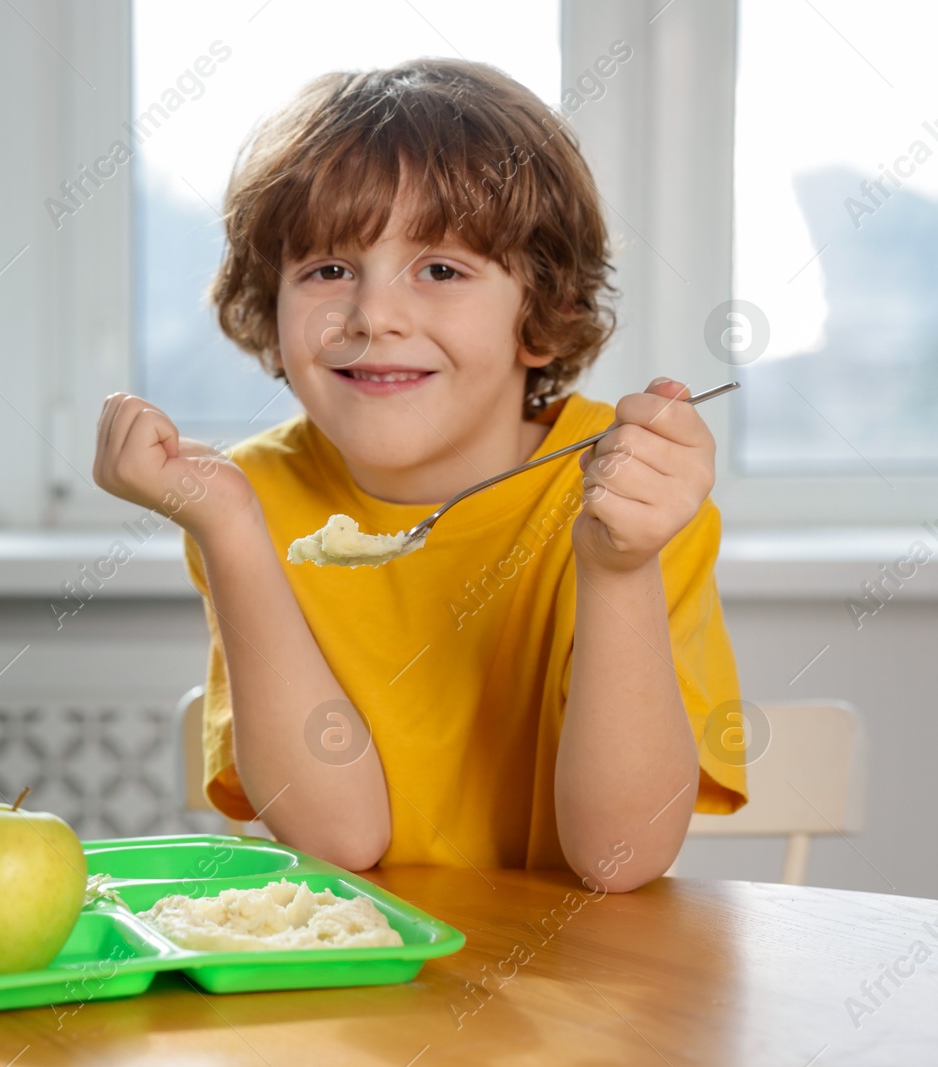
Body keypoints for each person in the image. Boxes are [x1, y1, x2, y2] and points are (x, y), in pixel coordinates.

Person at [93, 59, 746, 891]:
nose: (375, 317)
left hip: (573, 993)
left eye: (441, 269)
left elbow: (619, 858)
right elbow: (341, 838)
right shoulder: (245, 502)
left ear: (540, 312)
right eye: (328, 270)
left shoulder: (635, 496)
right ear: (272, 303)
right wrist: (226, 529)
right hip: (361, 988)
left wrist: (618, 569)